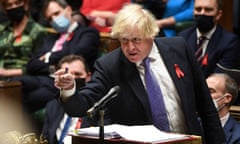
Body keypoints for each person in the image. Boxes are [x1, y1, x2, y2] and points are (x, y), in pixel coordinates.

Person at [55, 4, 225, 144]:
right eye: (124, 40)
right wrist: (69, 89)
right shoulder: (110, 66)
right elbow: (81, 105)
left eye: (136, 40)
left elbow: (205, 105)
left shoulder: (178, 48)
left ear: (151, 34)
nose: (130, 48)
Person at [12, 0, 100, 113]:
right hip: (42, 78)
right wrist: (51, 67)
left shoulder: (87, 33)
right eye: (50, 18)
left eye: (56, 14)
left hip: (63, 82)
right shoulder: (50, 38)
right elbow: (31, 65)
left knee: (26, 100)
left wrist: (48, 56)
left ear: (68, 10)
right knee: (13, 84)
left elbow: (75, 54)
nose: (54, 20)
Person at [42, 55, 112, 144]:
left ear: (88, 77)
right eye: (68, 75)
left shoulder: (101, 106)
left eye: (77, 74)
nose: (72, 79)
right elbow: (45, 139)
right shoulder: (52, 106)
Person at [178, 0, 240, 78]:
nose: (202, 13)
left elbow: (221, 79)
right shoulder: (183, 37)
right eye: (198, 9)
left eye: (208, 10)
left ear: (218, 14)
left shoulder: (230, 42)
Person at [0, 0, 47, 80]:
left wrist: (7, 72)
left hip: (24, 80)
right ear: (4, 9)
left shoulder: (38, 31)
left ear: (25, 5)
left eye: (17, 3)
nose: (14, 7)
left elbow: (40, 65)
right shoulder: (2, 29)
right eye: (9, 5)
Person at [206, 73, 240, 144]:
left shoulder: (238, 134)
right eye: (203, 90)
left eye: (210, 91)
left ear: (227, 98)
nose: (204, 95)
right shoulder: (191, 125)